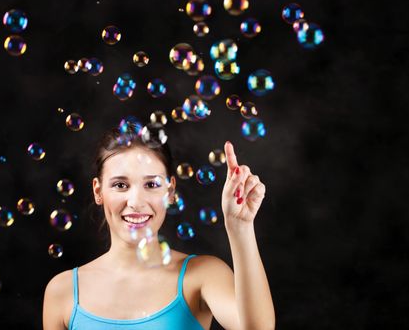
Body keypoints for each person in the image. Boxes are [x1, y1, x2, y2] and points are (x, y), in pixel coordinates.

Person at [43, 125, 275, 330]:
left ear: (170, 191)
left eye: (152, 184)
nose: (136, 202)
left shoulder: (203, 275)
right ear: (98, 191)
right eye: (120, 185)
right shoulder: (62, 292)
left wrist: (240, 227)